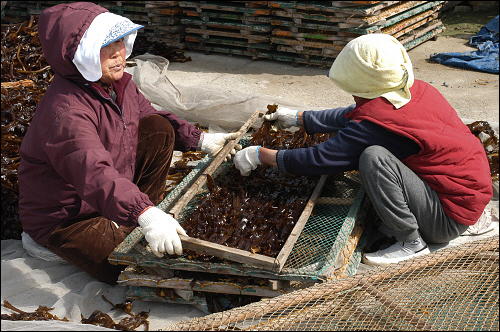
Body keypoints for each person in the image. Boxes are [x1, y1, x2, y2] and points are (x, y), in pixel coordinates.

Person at [17, 2, 239, 285]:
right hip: (68, 217)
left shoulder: (118, 84)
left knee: (158, 128)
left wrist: (201, 139)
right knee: (125, 269)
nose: (118, 53)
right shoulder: (66, 112)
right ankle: (54, 240)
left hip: (106, 192)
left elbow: (151, 115)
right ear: (79, 53)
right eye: (105, 45)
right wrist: (143, 214)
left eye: (120, 41)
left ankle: (137, 215)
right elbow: (94, 173)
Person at [234, 33, 493, 266]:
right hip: (465, 195)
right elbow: (358, 114)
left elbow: (319, 159)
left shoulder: (376, 125)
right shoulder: (413, 89)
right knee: (373, 151)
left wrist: (261, 155)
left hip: (448, 217)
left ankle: (412, 243)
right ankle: (414, 227)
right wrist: (301, 118)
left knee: (374, 158)